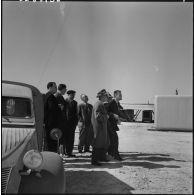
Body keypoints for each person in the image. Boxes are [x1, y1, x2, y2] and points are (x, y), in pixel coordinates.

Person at [107, 90, 127, 161]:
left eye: (121, 94)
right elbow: (106, 112)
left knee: (113, 141)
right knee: (114, 140)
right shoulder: (112, 102)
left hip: (113, 124)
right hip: (109, 125)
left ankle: (112, 155)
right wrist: (113, 115)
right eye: (120, 95)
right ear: (115, 95)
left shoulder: (117, 103)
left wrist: (120, 118)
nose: (121, 96)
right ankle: (115, 156)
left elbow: (118, 113)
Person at [91, 89, 109, 166]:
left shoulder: (99, 103)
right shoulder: (99, 104)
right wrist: (106, 116)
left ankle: (100, 158)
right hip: (99, 128)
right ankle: (94, 161)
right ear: (102, 96)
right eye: (105, 96)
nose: (107, 97)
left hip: (100, 127)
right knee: (97, 144)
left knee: (101, 143)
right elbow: (98, 116)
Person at [44, 82, 62, 152]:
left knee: (49, 141)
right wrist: (59, 107)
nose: (56, 88)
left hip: (48, 122)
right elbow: (52, 108)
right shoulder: (50, 96)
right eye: (55, 87)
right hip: (51, 123)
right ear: (50, 87)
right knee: (51, 142)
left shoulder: (47, 95)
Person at [64, 90, 78, 157]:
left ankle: (69, 152)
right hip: (65, 123)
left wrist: (75, 122)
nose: (73, 96)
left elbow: (76, 114)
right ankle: (64, 152)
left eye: (74, 95)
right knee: (65, 138)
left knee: (71, 138)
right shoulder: (64, 101)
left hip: (72, 124)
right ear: (68, 95)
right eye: (72, 95)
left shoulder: (75, 103)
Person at [55, 84, 67, 156]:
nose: (66, 90)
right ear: (62, 89)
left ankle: (60, 153)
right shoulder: (58, 96)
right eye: (65, 89)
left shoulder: (58, 96)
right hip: (59, 122)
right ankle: (59, 154)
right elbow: (61, 109)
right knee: (59, 138)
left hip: (59, 121)